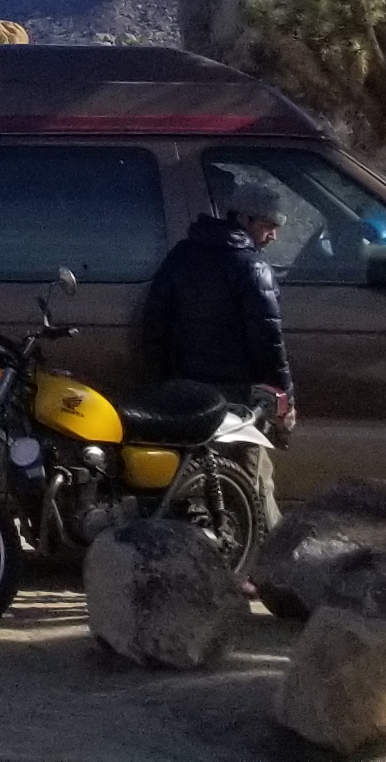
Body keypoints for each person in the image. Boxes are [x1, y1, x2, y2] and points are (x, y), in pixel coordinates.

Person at [137, 169, 294, 524]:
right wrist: (285, 399)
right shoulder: (252, 268)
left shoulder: (182, 255)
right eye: (268, 225)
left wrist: (161, 384)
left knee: (187, 482)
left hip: (186, 397)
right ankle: (260, 565)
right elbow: (269, 343)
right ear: (244, 218)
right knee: (251, 486)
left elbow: (155, 325)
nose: (273, 235)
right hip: (237, 401)